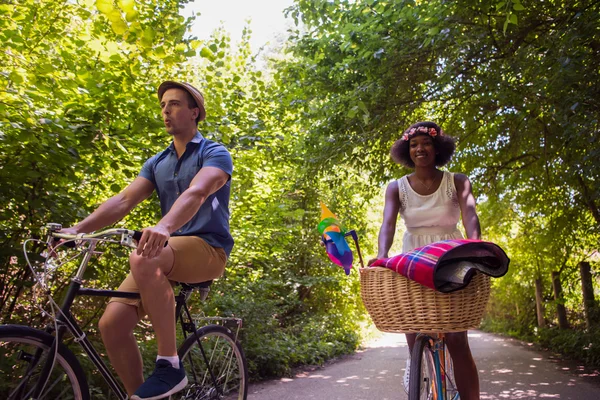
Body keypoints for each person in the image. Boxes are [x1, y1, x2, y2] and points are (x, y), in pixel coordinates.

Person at [59, 81, 234, 400]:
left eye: (175, 104)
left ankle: (169, 366)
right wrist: (77, 230)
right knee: (111, 324)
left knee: (144, 255)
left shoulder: (214, 153)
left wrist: (164, 227)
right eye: (163, 105)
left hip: (208, 249)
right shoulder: (158, 162)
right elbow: (124, 200)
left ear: (195, 112)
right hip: (168, 251)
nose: (166, 110)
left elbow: (197, 191)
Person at [368, 121, 481, 400]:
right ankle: (423, 379)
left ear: (437, 148)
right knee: (414, 331)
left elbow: (470, 217)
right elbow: (388, 225)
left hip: (451, 257)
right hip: (413, 259)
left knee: (456, 338)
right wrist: (382, 257)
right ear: (408, 151)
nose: (420, 148)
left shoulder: (457, 181)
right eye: (414, 144)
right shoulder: (397, 187)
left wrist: (478, 249)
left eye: (426, 143)